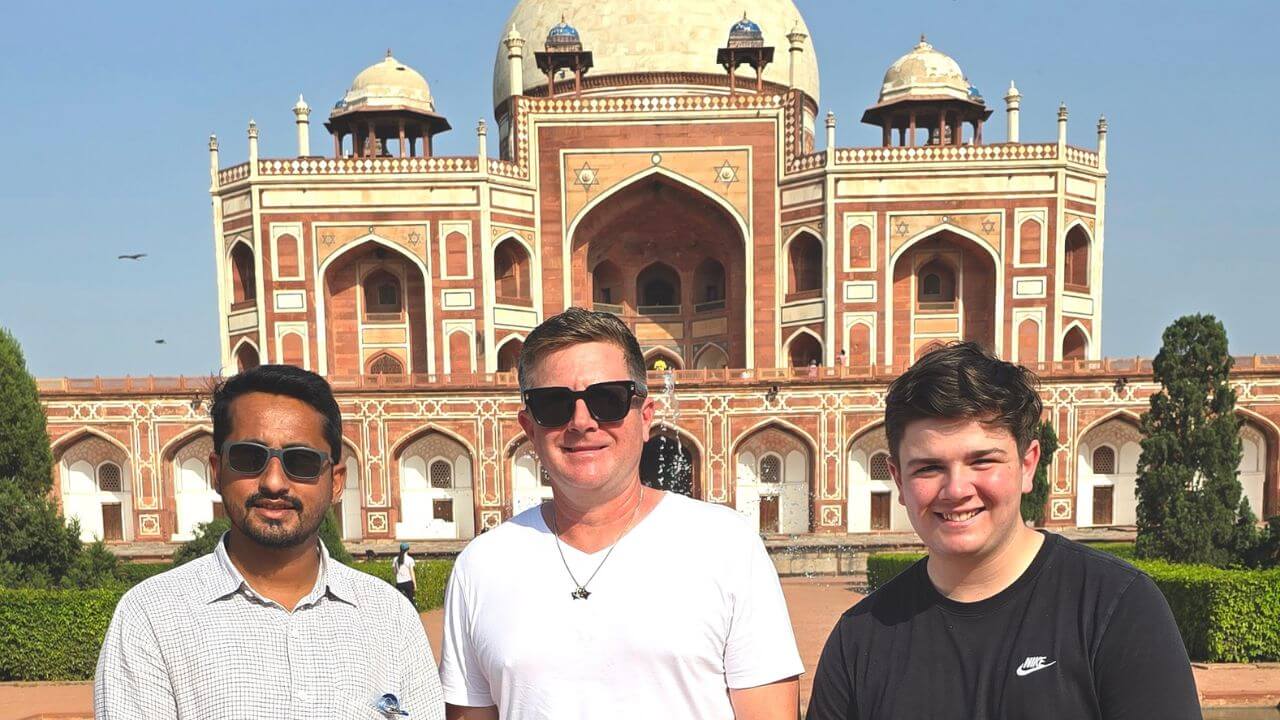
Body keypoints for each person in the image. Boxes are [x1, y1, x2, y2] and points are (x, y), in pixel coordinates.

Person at [439, 307, 803, 720]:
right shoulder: (482, 566)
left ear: (645, 417)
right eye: (554, 404)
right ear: (529, 428)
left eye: (606, 399)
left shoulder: (724, 544)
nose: (582, 422)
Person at [805, 343, 1201, 720]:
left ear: (1027, 465)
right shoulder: (861, 639)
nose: (956, 490)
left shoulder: (1114, 608)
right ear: (898, 480)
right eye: (928, 467)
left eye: (982, 461)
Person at [95, 365, 444, 720]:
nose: (274, 482)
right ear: (216, 471)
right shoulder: (153, 617)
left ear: (336, 482)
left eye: (302, 461)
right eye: (249, 458)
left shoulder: (389, 617)